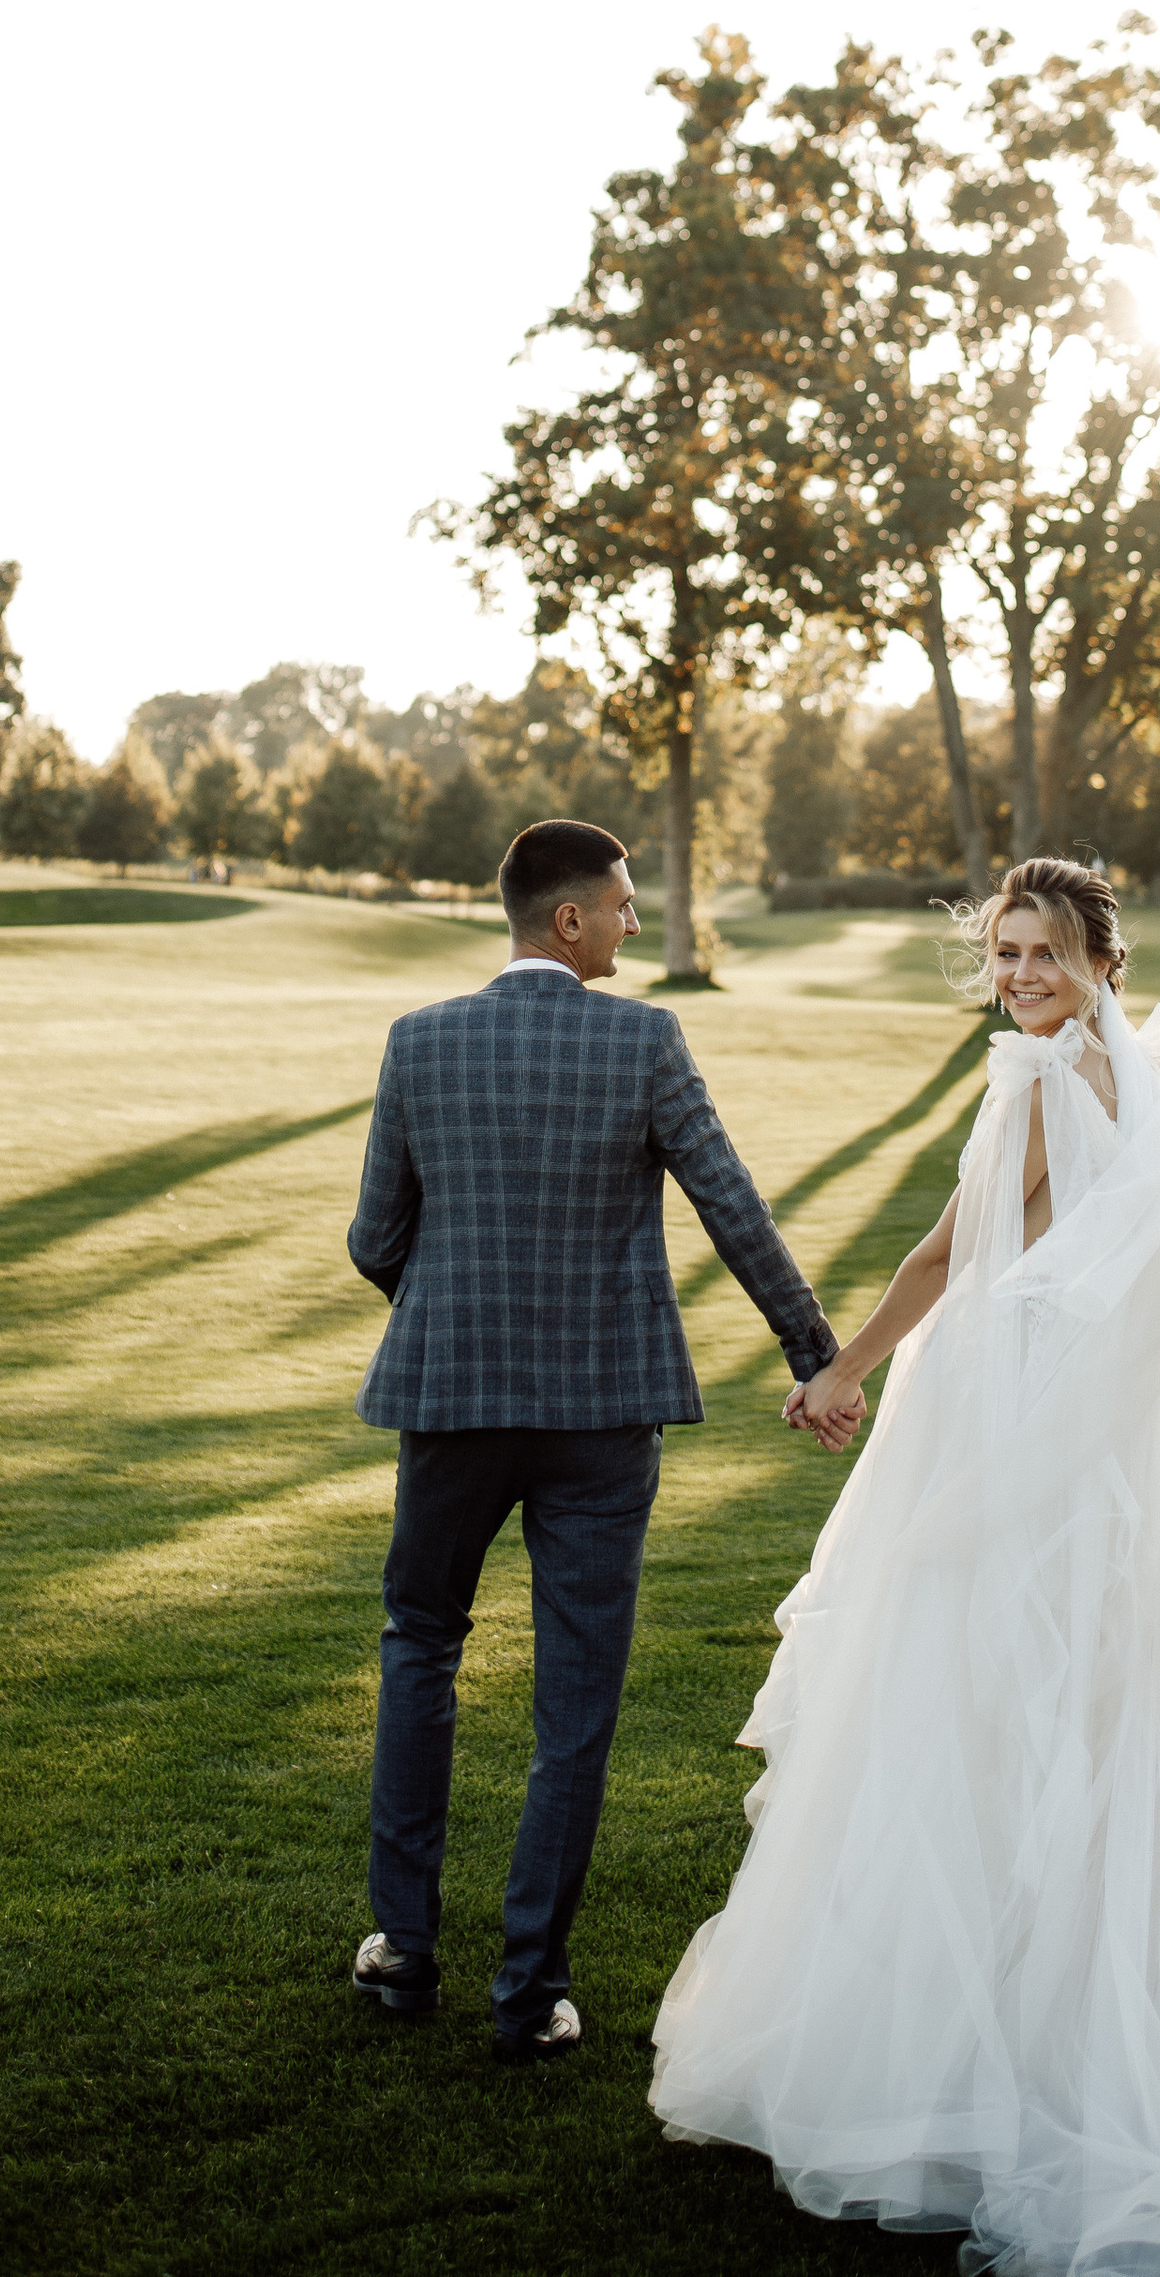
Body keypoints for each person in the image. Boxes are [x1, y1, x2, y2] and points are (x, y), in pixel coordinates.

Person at [650, 858, 1160, 2277]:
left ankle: (948, 2080)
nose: (1021, 976)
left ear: (1101, 955)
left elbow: (941, 1253)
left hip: (1004, 1425)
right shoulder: (1151, 1088)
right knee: (1060, 1733)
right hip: (1099, 1453)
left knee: (945, 1717)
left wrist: (837, 1367)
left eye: (1043, 952)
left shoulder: (1045, 1082)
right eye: (1004, 953)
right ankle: (1036, 2050)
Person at [345, 816, 852, 2064]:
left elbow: (374, 1238)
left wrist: (455, 1308)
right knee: (575, 1705)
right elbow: (730, 1202)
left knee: (421, 1649)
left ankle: (405, 1954)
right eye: (623, 903)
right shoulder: (643, 1040)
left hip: (450, 1407)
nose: (634, 919)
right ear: (565, 920)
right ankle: (531, 1993)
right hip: (601, 1421)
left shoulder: (420, 1043)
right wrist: (814, 1353)